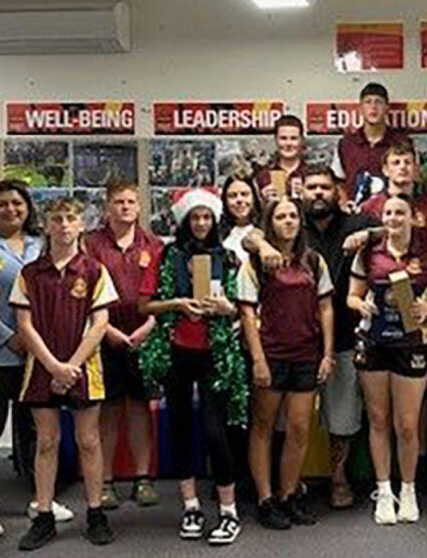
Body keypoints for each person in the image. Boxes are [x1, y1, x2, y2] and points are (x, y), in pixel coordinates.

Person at [243, 164, 378, 509]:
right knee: (272, 424)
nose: (318, 193)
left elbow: (394, 227)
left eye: (325, 187)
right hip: (279, 348)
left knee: (330, 418)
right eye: (312, 187)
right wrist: (263, 245)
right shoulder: (283, 234)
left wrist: (368, 235)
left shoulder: (351, 226)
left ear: (337, 192)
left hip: (335, 340)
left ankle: (326, 483)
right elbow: (250, 237)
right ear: (301, 192)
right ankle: (274, 493)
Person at [138, 189, 248, 546]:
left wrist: (226, 308)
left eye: (206, 217)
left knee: (216, 432)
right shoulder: (166, 255)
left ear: (215, 221)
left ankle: (229, 512)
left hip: (216, 355)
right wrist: (178, 304)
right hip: (176, 353)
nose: (201, 223)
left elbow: (245, 307)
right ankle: (191, 507)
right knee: (181, 428)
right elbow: (144, 306)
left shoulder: (229, 258)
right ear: (185, 221)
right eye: (195, 217)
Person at [10, 197, 118, 550]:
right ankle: (43, 515)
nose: (64, 225)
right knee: (47, 441)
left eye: (71, 218)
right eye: (56, 219)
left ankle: (96, 512)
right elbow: (24, 325)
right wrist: (54, 366)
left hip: (85, 368)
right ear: (46, 225)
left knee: (89, 440)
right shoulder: (30, 273)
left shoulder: (94, 270)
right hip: (42, 368)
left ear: (81, 224)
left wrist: (71, 366)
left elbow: (100, 324)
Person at [0, 181, 65, 540]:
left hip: (36, 357)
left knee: (34, 430)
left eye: (17, 203)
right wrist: (9, 338)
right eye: (2, 204)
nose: (10, 210)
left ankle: (41, 499)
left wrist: (36, 343)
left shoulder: (42, 245)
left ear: (28, 208)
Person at [347, 194, 427, 525]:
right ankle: (383, 490)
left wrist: (426, 309)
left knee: (406, 424)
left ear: (413, 217)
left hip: (411, 343)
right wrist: (361, 305)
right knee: (378, 419)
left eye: (400, 212)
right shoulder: (368, 253)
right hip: (374, 342)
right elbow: (352, 296)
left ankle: (408, 489)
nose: (393, 218)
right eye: (388, 212)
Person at [240, 199, 335, 529]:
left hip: (306, 355)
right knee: (263, 426)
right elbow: (247, 313)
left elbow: (326, 308)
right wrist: (258, 360)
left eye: (293, 215)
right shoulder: (256, 262)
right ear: (271, 222)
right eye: (281, 216)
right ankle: (265, 499)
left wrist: (327, 353)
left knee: (299, 428)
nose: (288, 221)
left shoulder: (313, 261)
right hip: (271, 354)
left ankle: (289, 494)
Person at [84, 182, 163, 510]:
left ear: (140, 206)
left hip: (145, 335)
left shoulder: (154, 245)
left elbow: (163, 292)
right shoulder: (90, 244)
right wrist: (106, 330)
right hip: (104, 335)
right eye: (119, 202)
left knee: (140, 407)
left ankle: (143, 479)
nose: (126, 207)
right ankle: (105, 481)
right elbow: (84, 291)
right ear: (107, 207)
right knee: (110, 409)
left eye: (131, 201)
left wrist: (150, 326)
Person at [332, 82, 412, 205]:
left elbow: (414, 178)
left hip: (392, 210)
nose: (373, 107)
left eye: (378, 102)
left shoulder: (403, 142)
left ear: (387, 108)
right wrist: (344, 204)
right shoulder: (345, 144)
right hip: (356, 211)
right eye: (368, 102)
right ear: (360, 108)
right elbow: (338, 181)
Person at [361, 143, 427, 247]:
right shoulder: (369, 208)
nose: (402, 167)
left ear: (416, 169)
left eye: (407, 162)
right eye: (396, 163)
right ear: (385, 170)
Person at [255, 115, 307, 200]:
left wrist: (308, 197)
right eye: (283, 138)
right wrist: (262, 199)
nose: (288, 143)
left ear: (301, 140)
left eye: (293, 138)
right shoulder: (263, 176)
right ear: (275, 140)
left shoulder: (311, 175)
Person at [220, 174, 261, 265]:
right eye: (233, 196)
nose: (239, 200)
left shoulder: (266, 228)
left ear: (254, 198)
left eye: (244, 194)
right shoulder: (218, 234)